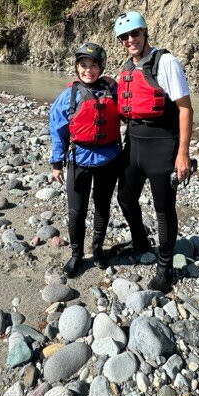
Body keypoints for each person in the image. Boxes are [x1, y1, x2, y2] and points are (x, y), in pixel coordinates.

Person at [114, 11, 194, 293]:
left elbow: (185, 109)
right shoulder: (128, 67)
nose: (130, 40)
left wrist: (182, 153)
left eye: (135, 33)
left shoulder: (166, 62)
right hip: (133, 144)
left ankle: (165, 267)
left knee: (163, 209)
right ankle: (140, 241)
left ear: (145, 32)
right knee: (125, 198)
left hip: (162, 145)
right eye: (124, 37)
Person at [49, 42, 122, 276]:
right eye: (83, 65)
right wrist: (56, 163)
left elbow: (133, 106)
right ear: (76, 67)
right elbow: (57, 129)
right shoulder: (68, 96)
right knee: (76, 212)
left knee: (102, 207)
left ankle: (98, 250)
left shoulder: (112, 91)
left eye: (93, 65)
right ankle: (76, 254)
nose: (88, 70)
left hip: (108, 160)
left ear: (101, 68)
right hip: (79, 160)